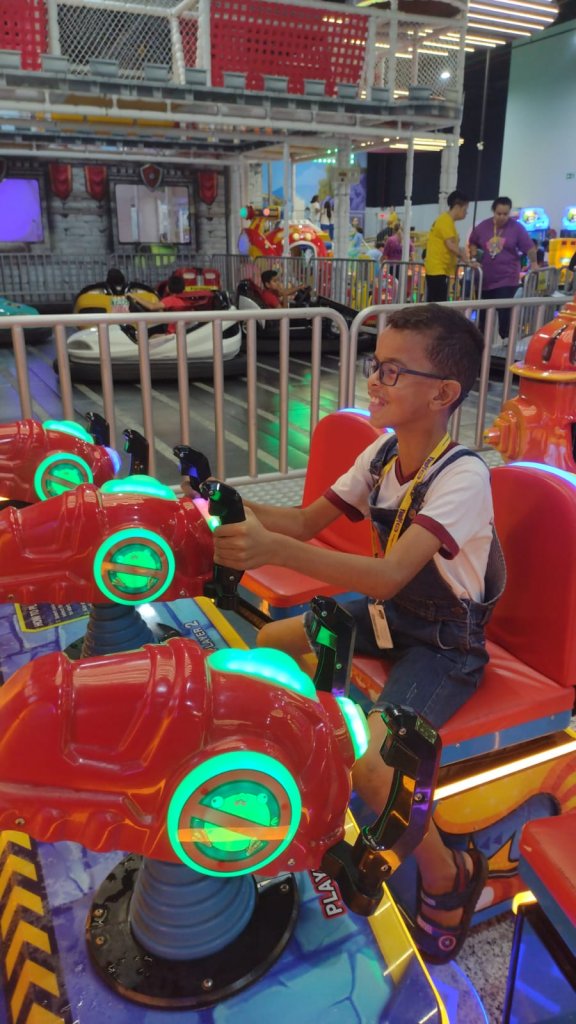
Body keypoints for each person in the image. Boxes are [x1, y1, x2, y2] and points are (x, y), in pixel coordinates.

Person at [212, 303, 505, 965]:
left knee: (378, 766)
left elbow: (388, 576)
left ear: (443, 393)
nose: (374, 380)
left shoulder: (463, 476)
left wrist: (266, 549)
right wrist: (219, 500)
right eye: (376, 366)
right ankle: (309, 766)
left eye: (393, 371)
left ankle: (448, 876)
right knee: (272, 643)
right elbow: (303, 523)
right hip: (390, 617)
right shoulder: (382, 454)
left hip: (444, 643)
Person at [468, 196, 538, 341]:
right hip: (485, 280)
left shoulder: (516, 228)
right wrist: (474, 257)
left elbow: (530, 248)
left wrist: (534, 263)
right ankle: (481, 342)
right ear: (493, 211)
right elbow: (473, 242)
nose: (502, 217)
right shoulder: (483, 227)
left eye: (505, 214)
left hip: (507, 278)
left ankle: (506, 340)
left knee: (504, 312)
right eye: (499, 213)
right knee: (484, 316)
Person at [424, 190, 470, 302]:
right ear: (457, 207)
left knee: (436, 303)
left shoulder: (447, 221)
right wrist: (467, 261)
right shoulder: (445, 221)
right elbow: (451, 245)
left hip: (439, 270)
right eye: (465, 209)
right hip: (437, 270)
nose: (466, 213)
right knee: (438, 304)